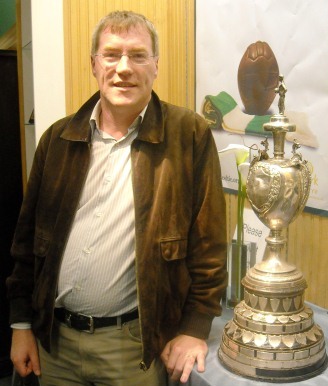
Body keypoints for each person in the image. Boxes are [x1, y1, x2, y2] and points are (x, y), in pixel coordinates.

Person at [7, 10, 227, 386]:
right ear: (94, 64)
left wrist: (194, 327)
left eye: (138, 55)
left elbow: (209, 248)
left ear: (156, 65)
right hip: (53, 344)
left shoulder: (189, 135)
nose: (124, 67)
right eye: (111, 55)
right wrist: (21, 323)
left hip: (132, 350)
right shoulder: (57, 140)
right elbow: (26, 245)